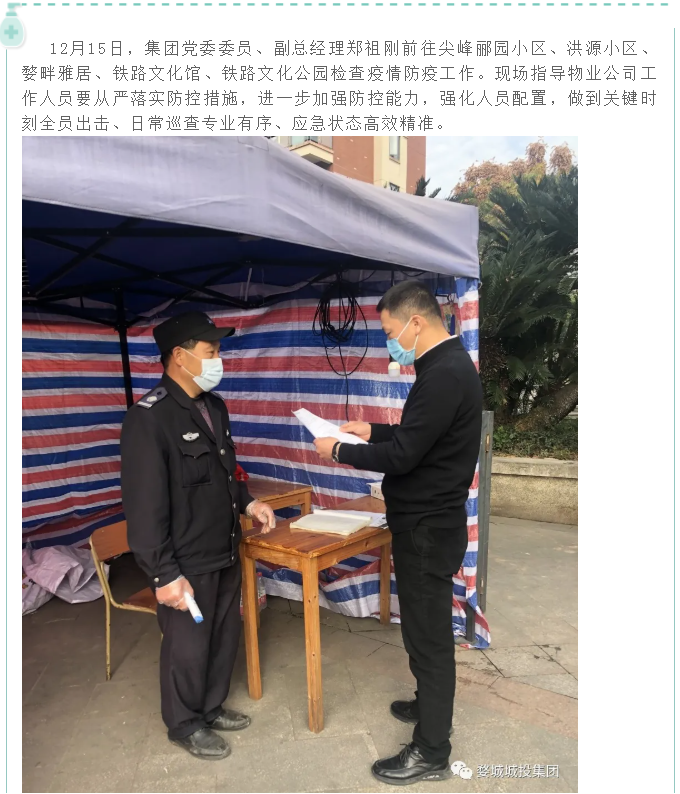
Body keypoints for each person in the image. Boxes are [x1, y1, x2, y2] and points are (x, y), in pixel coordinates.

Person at [313, 281, 483, 786]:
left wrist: (340, 450)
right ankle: (427, 706)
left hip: (428, 528)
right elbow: (419, 438)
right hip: (425, 523)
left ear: (416, 322)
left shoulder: (445, 373)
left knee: (429, 640)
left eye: (390, 332)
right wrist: (372, 431)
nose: (390, 343)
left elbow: (406, 455)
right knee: (421, 631)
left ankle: (431, 750)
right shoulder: (443, 366)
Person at [120, 310, 276, 760]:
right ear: (179, 356)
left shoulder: (214, 407)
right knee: (187, 646)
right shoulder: (149, 419)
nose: (218, 359)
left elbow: (226, 475)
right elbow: (144, 508)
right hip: (184, 560)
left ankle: (210, 707)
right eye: (211, 351)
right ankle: (184, 724)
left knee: (223, 635)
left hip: (223, 547)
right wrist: (163, 574)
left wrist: (249, 503)